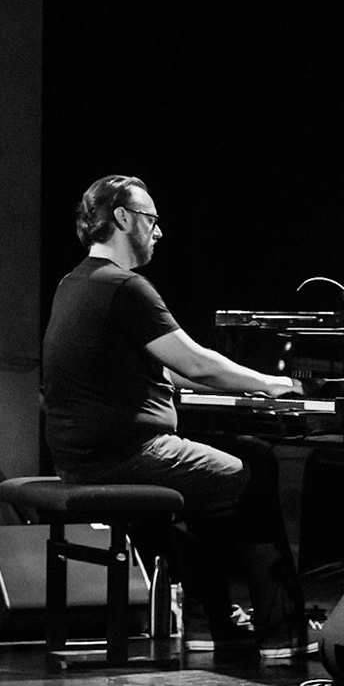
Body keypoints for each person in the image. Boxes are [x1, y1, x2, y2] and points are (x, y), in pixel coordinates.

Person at [41, 175, 312, 658]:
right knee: (254, 470)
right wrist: (271, 383)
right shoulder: (126, 287)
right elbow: (196, 362)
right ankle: (280, 624)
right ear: (122, 218)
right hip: (126, 456)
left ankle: (218, 620)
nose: (159, 231)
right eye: (151, 219)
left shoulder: (76, 283)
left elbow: (166, 364)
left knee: (234, 463)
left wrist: (237, 382)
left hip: (82, 457)